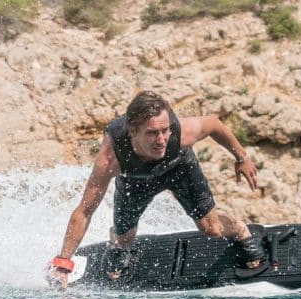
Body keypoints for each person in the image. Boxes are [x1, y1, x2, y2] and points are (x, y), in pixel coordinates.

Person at [47, 90, 264, 288]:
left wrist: (242, 158)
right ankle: (118, 241)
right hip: (135, 180)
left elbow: (215, 124)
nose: (161, 140)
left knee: (212, 229)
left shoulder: (181, 133)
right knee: (124, 239)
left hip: (179, 168)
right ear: (132, 131)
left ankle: (241, 230)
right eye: (152, 133)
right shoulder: (111, 159)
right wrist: (63, 262)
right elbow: (85, 210)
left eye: (165, 130)